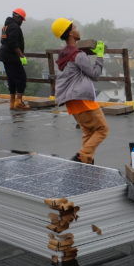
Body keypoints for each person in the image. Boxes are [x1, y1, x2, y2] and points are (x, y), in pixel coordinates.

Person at [52, 18, 109, 164]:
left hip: (71, 102)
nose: (78, 29)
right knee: (102, 129)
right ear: (70, 33)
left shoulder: (64, 54)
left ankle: (86, 161)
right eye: (75, 27)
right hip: (83, 99)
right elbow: (95, 75)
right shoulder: (78, 55)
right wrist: (100, 56)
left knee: (89, 132)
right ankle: (82, 155)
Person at [0, 7, 31, 111]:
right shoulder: (14, 27)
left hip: (5, 56)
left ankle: (12, 103)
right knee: (21, 78)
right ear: (17, 17)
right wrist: (21, 56)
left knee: (11, 79)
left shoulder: (6, 26)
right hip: (12, 57)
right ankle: (19, 102)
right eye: (21, 19)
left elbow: (3, 41)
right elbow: (13, 44)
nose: (22, 21)